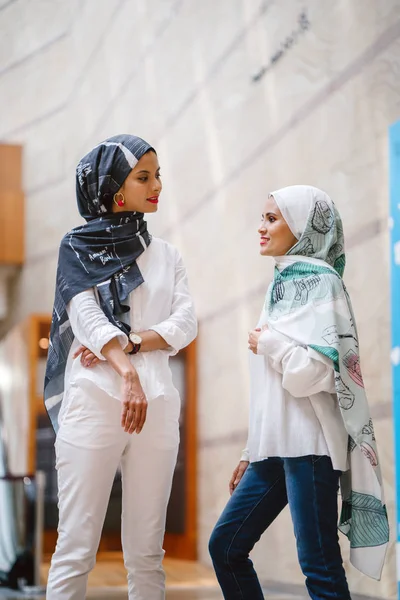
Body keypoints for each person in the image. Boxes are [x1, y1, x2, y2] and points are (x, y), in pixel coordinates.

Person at [209, 185, 388, 600]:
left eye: (272, 218)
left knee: (319, 568)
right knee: (226, 546)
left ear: (305, 226)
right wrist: (250, 450)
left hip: (309, 446)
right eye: (262, 217)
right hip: (275, 449)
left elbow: (316, 376)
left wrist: (269, 343)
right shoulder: (282, 284)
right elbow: (270, 389)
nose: (260, 227)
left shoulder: (322, 284)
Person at [44, 134, 197, 599]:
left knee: (148, 555)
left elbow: (186, 323)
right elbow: (85, 315)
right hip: (94, 398)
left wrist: (128, 342)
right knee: (75, 548)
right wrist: (126, 370)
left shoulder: (167, 254)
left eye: (158, 175)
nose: (158, 186)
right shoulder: (77, 247)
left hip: (159, 405)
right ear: (114, 188)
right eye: (144, 177)